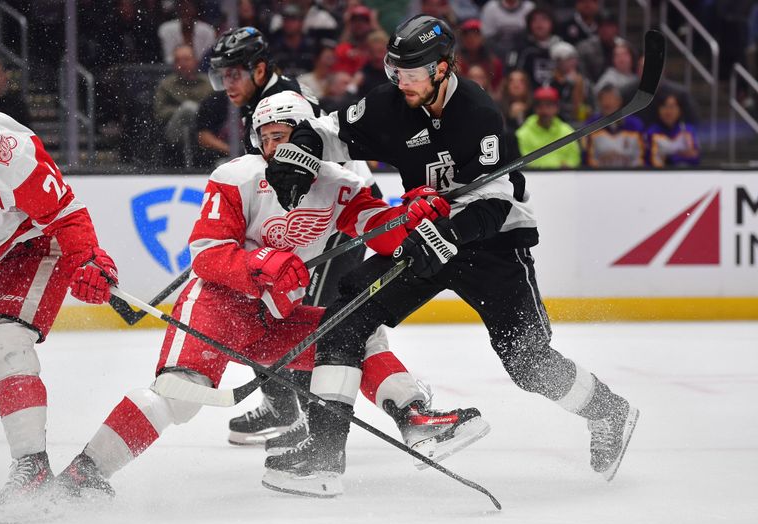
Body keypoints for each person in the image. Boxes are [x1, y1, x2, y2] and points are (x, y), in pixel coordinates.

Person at [263, 15, 638, 497]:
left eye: (413, 74)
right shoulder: (387, 103)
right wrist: (298, 159)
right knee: (343, 318)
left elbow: (496, 203)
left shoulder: (477, 112)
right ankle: (323, 455)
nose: (402, 83)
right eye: (394, 71)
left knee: (527, 361)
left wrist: (445, 234)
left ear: (443, 68)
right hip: (425, 238)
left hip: (493, 245)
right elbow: (328, 131)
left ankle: (609, 411)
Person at [53, 91, 488, 499]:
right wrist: (264, 262)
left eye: (285, 136)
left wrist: (410, 217)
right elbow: (207, 256)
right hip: (217, 306)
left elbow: (378, 230)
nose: (274, 146)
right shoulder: (237, 175)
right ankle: (83, 473)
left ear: (309, 137)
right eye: (267, 137)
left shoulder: (339, 183)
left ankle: (413, 417)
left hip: (276, 315)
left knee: (356, 335)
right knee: (179, 396)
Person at [204, 26, 389, 449]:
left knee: (301, 321)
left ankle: (309, 421)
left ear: (261, 68)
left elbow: (315, 174)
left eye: (234, 73)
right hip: (316, 212)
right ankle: (284, 406)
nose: (227, 84)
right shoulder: (264, 99)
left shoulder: (287, 101)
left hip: (339, 216)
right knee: (268, 306)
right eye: (222, 75)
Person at [0, 78, 118, 510]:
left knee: (5, 343)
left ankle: (33, 470)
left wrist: (88, 259)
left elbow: (65, 213)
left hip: (30, 246)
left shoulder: (4, 151)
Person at [153, 44, 213, 167]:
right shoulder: (166, 85)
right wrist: (182, 111)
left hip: (204, 131)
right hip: (174, 133)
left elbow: (216, 111)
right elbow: (159, 112)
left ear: (196, 61)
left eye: (186, 59)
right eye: (178, 60)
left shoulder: (208, 84)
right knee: (188, 108)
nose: (182, 63)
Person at [516, 85, 581, 169]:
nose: (545, 110)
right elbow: (524, 162)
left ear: (557, 108)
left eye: (549, 105)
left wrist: (568, 166)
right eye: (540, 106)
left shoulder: (567, 132)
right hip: (534, 178)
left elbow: (574, 158)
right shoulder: (523, 133)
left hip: (563, 178)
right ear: (535, 108)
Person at [582, 85, 644, 168]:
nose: (607, 103)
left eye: (611, 98)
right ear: (599, 102)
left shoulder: (635, 125)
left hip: (630, 176)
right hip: (599, 177)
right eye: (604, 99)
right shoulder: (591, 125)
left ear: (619, 101)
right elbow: (587, 158)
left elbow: (641, 157)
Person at [644, 92, 700, 168]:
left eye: (672, 107)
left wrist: (671, 157)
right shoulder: (651, 132)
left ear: (679, 110)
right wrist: (681, 154)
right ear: (658, 110)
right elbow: (650, 160)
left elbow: (695, 158)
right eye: (665, 106)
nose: (669, 111)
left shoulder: (687, 131)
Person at [158, 0, 217, 64]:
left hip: (202, 70)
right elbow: (168, 58)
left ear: (195, 10)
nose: (186, 11)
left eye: (189, 8)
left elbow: (207, 58)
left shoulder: (208, 31)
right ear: (177, 10)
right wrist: (183, 62)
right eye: (183, 8)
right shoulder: (166, 29)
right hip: (172, 70)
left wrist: (192, 64)